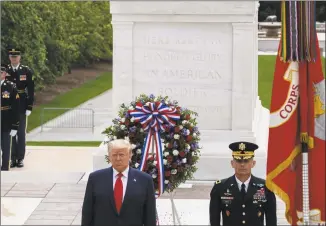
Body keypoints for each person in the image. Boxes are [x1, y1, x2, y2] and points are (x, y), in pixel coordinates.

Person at [81, 139, 156, 226]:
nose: (118, 158)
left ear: (130, 155)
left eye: (121, 155)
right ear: (109, 156)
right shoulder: (95, 178)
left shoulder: (145, 180)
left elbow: (150, 215)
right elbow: (87, 212)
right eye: (114, 155)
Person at [209, 141, 277, 226]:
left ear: (253, 163)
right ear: (232, 163)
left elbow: (271, 220)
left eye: (246, 160)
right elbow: (214, 220)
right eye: (238, 160)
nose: (242, 164)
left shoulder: (266, 187)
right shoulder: (220, 187)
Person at [6, 48, 35, 168]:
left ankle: (20, 158)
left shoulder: (26, 71)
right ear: (9, 58)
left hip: (22, 105)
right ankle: (12, 158)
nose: (14, 59)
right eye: (12, 57)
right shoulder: (5, 71)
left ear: (20, 58)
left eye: (16, 56)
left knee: (21, 133)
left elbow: (31, 90)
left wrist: (29, 106)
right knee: (11, 133)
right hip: (9, 106)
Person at [1, 64, 20, 171]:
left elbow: (15, 107)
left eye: (1, 73)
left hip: (6, 118)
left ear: (4, 74)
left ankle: (4, 166)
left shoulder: (10, 86)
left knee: (6, 145)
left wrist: (15, 125)